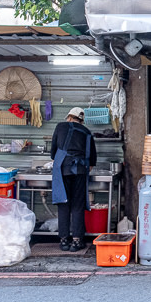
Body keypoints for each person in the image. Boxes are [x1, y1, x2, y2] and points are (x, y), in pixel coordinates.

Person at [51, 107, 97, 252]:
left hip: (63, 169)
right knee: (78, 205)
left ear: (70, 117)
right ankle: (77, 241)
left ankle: (64, 240)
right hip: (80, 169)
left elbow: (53, 152)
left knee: (63, 203)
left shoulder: (60, 126)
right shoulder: (87, 132)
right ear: (81, 120)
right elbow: (92, 157)